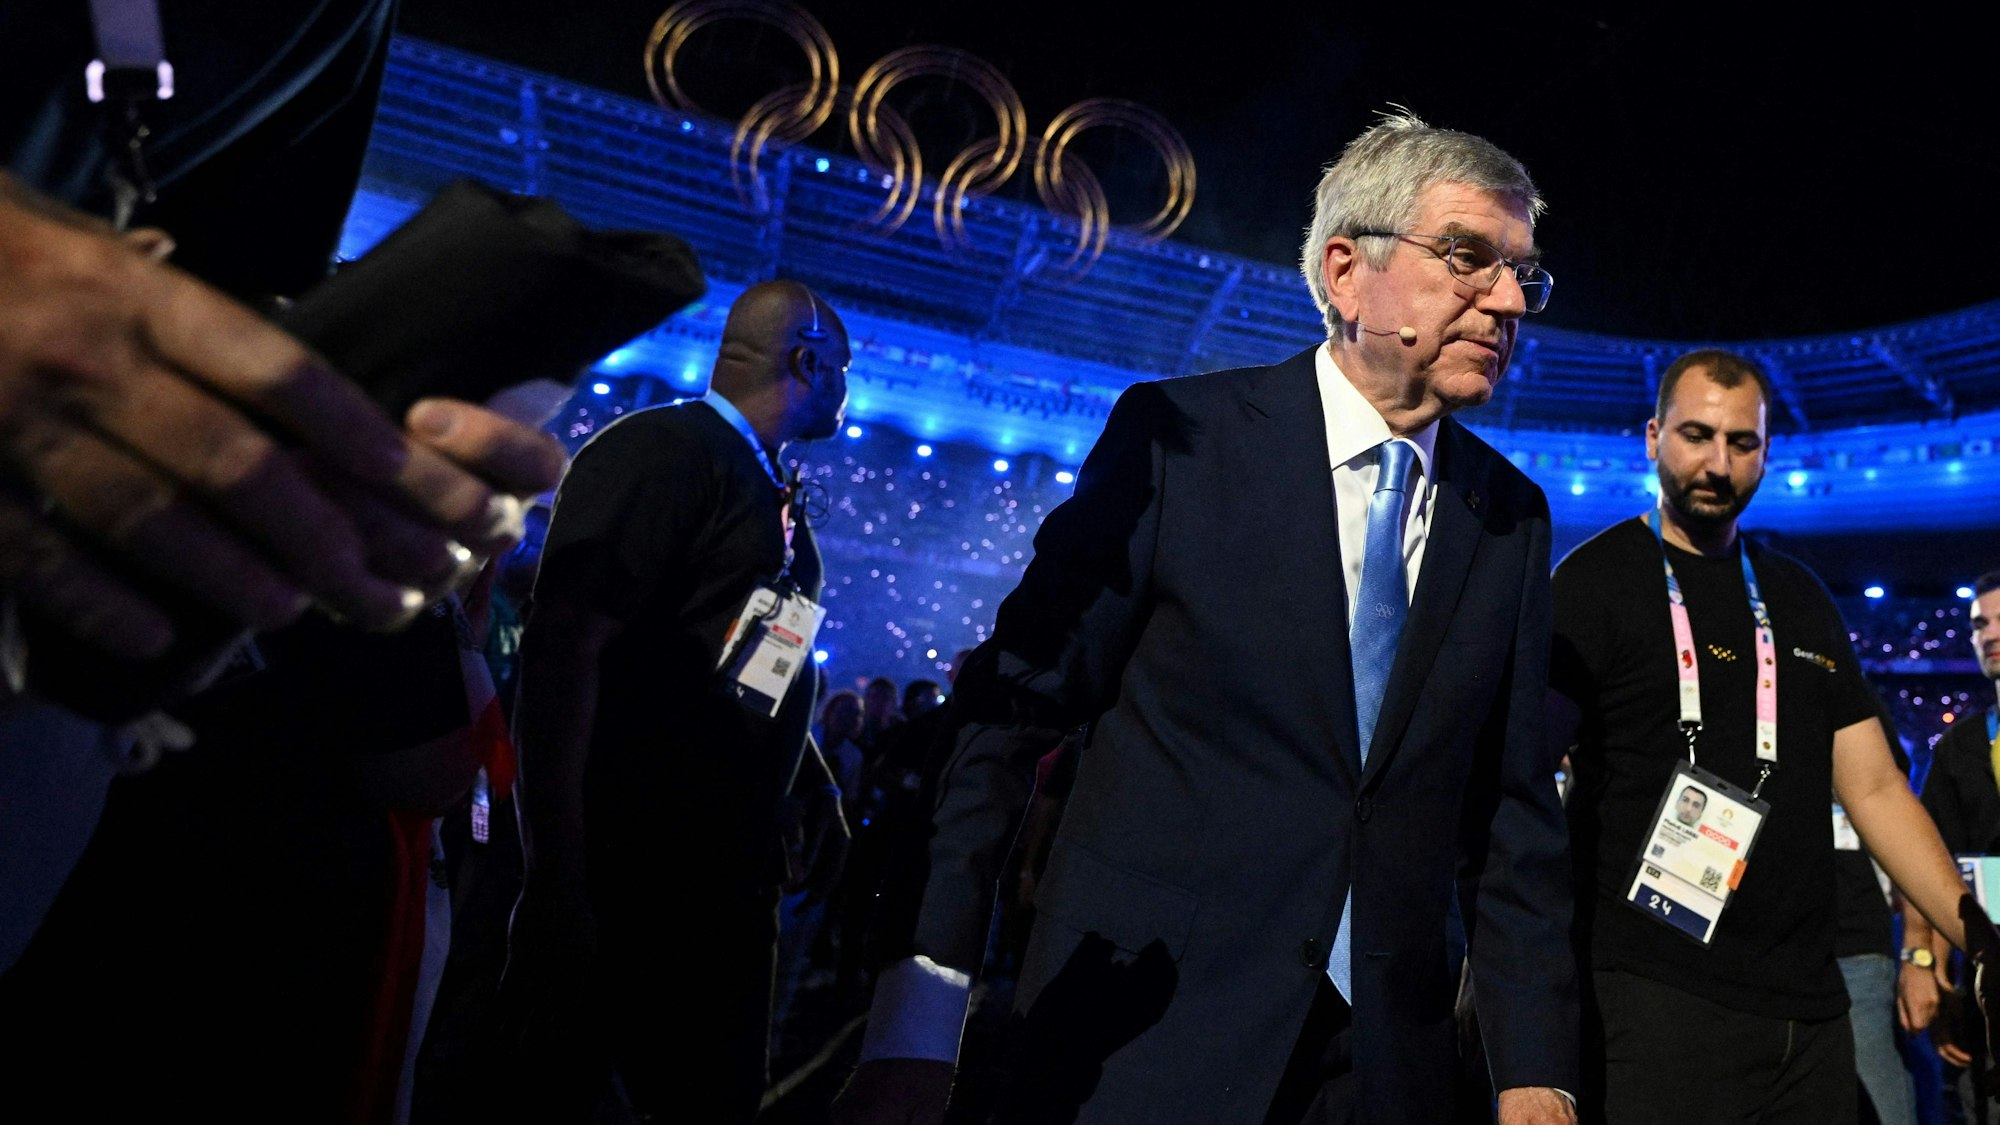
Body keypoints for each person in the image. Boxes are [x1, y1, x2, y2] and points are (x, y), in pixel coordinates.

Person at [836, 111, 1579, 1125]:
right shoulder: (1175, 444)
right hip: (1144, 1041)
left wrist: (1532, 1065)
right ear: (1345, 271)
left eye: (1520, 274)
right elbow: (1002, 725)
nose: (1504, 300)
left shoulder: (1510, 518)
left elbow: (1511, 815)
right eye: (1466, 257)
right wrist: (919, 1017)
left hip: (1380, 1072)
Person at [1550, 348, 1981, 1125]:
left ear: (1767, 453)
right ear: (1652, 437)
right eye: (1695, 435)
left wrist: (1977, 937)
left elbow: (1877, 789)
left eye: (1740, 442)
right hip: (1652, 996)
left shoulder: (1797, 594)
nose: (1717, 462)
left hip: (1808, 1007)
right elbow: (1523, 784)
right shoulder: (1591, 582)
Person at [503, 279, 854, 1122]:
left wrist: (807, 777)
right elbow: (561, 654)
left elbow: (755, 674)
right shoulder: (660, 451)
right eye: (843, 368)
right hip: (632, 871)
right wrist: (555, 867)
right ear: (806, 360)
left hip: (723, 881)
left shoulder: (780, 508)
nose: (848, 387)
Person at [1903, 571, 2000, 1119]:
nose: (1990, 633)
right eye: (1979, 624)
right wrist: (1920, 960)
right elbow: (1927, 860)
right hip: (1987, 986)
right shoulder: (1961, 745)